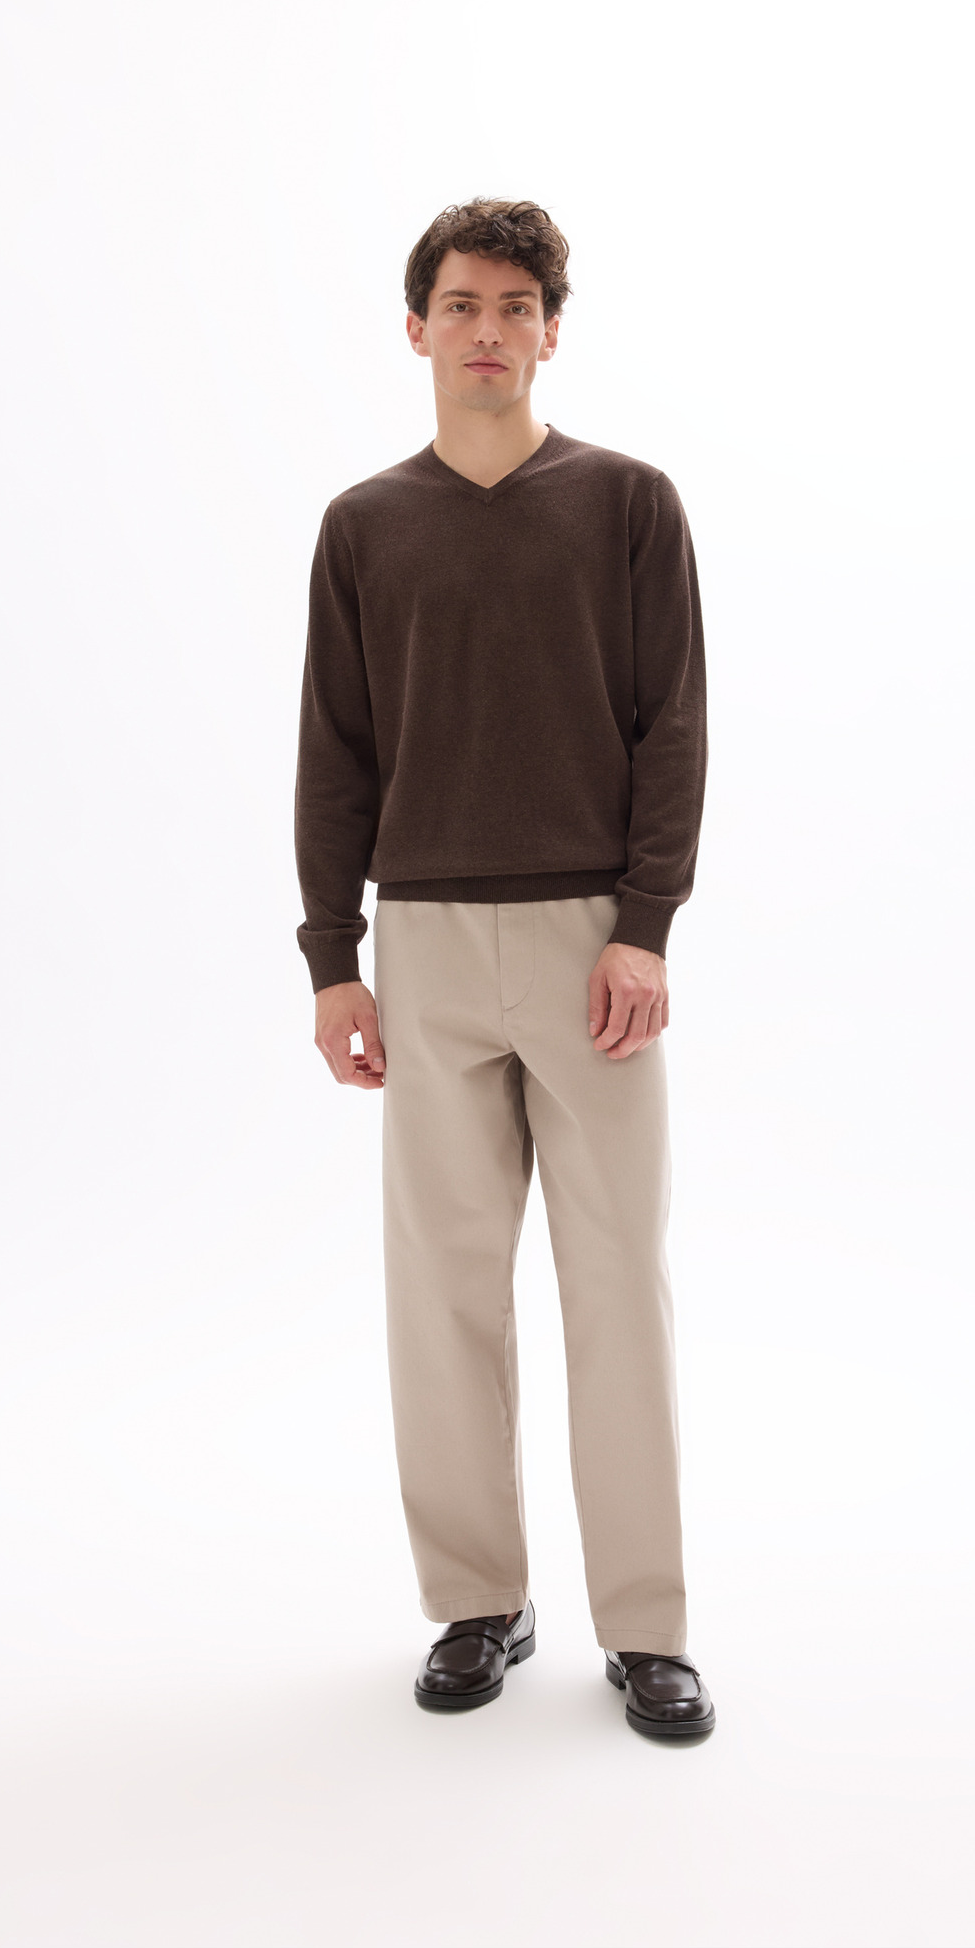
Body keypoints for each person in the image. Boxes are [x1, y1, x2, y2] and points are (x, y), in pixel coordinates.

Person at [293, 197, 713, 1740]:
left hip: (588, 943)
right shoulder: (365, 526)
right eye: (461, 305)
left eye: (516, 306)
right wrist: (333, 957)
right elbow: (335, 751)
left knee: (616, 1288)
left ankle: (648, 1628)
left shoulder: (627, 504)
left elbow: (673, 723)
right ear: (417, 327)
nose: (488, 330)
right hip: (421, 943)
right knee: (444, 1292)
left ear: (551, 330)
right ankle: (478, 1602)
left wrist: (645, 925)